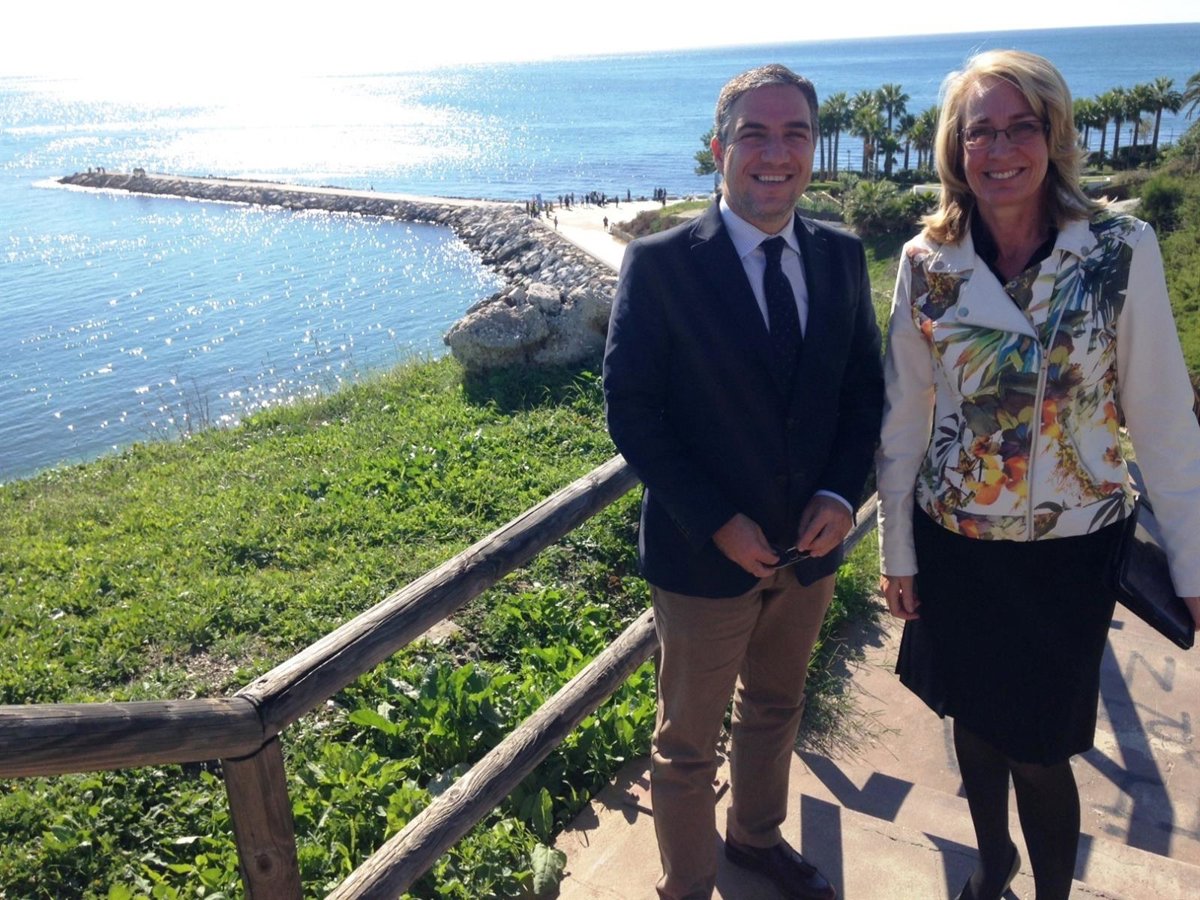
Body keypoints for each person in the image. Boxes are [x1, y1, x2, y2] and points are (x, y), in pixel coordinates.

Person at [875, 50, 1200, 900]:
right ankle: (994, 865)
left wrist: (1194, 564)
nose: (1000, 148)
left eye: (1021, 126)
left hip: (1072, 550)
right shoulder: (927, 262)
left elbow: (1163, 418)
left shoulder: (1118, 250)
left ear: (1054, 136)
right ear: (957, 148)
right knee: (972, 720)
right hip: (957, 541)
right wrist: (897, 551)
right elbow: (904, 419)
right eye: (979, 130)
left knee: (1041, 747)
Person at [604, 64, 884, 900]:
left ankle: (755, 842)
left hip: (812, 549)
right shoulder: (661, 264)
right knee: (686, 744)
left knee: (775, 707)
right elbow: (631, 410)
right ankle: (687, 885)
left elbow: (863, 392)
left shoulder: (839, 254)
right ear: (719, 149)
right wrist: (717, 520)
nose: (776, 153)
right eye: (754, 134)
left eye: (795, 133)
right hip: (703, 558)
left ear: (814, 149)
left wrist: (842, 495)